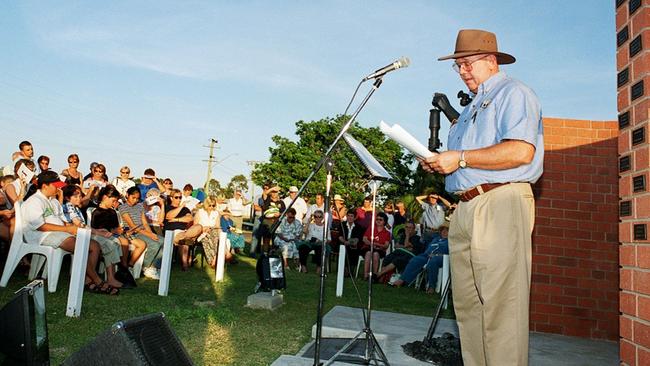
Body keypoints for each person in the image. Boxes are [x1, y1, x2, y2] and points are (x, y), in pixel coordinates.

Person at [419, 29, 544, 365]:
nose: (463, 71)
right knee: (469, 309)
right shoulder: (471, 107)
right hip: (464, 208)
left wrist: (459, 157)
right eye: (458, 65)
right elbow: (465, 160)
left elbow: (520, 151)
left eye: (469, 63)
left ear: (491, 61)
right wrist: (441, 164)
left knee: (502, 309)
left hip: (500, 203)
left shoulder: (513, 93)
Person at [22, 171, 115, 295]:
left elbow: (61, 221)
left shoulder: (53, 201)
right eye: (55, 185)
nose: (59, 188)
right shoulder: (34, 201)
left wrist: (72, 227)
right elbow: (40, 226)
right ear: (45, 186)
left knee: (94, 246)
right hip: (40, 235)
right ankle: (97, 280)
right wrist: (67, 229)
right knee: (81, 245)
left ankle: (86, 280)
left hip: (57, 233)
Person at [61, 184, 125, 289]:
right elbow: (79, 225)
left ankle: (107, 277)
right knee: (109, 243)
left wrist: (97, 231)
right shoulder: (69, 206)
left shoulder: (75, 207)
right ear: (68, 198)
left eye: (80, 196)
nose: (80, 198)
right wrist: (98, 232)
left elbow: (83, 226)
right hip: (77, 235)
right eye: (76, 196)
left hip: (84, 233)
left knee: (113, 242)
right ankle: (100, 278)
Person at [119, 186, 165, 279]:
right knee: (154, 245)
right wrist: (149, 235)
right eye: (133, 198)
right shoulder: (123, 207)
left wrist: (151, 233)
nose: (135, 200)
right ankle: (146, 267)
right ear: (127, 195)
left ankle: (154, 266)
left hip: (143, 231)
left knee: (163, 241)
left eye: (137, 198)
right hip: (133, 233)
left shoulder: (140, 206)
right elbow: (132, 226)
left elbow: (144, 222)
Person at [391, 224, 449, 291]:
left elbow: (450, 253)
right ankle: (402, 280)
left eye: (447, 230)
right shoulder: (435, 239)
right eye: (442, 230)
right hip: (427, 255)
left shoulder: (451, 241)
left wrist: (437, 255)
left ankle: (431, 286)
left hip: (442, 257)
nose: (444, 232)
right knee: (416, 260)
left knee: (433, 261)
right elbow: (427, 236)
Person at [164, 188, 203, 271]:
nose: (179, 199)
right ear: (171, 198)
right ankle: (185, 264)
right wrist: (181, 207)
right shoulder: (167, 207)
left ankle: (186, 239)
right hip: (173, 232)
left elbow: (189, 218)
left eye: (180, 197)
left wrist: (176, 219)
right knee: (185, 238)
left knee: (199, 227)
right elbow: (169, 216)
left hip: (185, 231)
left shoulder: (186, 209)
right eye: (176, 197)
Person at [194, 196, 228, 268]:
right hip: (201, 232)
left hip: (213, 231)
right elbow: (195, 225)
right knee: (207, 238)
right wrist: (203, 228)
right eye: (210, 205)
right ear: (206, 204)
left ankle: (215, 259)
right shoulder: (200, 212)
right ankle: (219, 256)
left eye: (213, 205)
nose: (212, 207)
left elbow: (218, 226)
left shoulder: (216, 213)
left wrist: (210, 228)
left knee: (215, 236)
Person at [360, 212, 391, 280]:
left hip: (380, 250)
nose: (378, 221)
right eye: (377, 219)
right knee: (368, 253)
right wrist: (372, 244)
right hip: (367, 248)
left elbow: (386, 245)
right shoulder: (371, 228)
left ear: (384, 221)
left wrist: (376, 244)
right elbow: (364, 239)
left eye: (380, 219)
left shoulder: (387, 233)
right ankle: (365, 275)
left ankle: (374, 276)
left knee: (376, 254)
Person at [297, 209, 330, 274]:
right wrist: (308, 222)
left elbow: (329, 239)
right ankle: (303, 266)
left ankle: (319, 267)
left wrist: (321, 241)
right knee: (302, 247)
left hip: (320, 243)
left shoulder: (325, 228)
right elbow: (304, 231)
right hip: (310, 242)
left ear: (322, 217)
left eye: (319, 217)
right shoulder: (311, 225)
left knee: (320, 248)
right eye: (315, 216)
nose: (317, 218)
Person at [338, 210, 365, 275]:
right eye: (348, 216)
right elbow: (340, 236)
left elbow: (357, 238)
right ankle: (345, 269)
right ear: (346, 216)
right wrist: (345, 242)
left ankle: (350, 269)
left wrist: (351, 242)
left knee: (354, 249)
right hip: (343, 243)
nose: (350, 217)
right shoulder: (342, 225)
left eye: (351, 216)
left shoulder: (358, 227)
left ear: (355, 218)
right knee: (345, 248)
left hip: (353, 244)